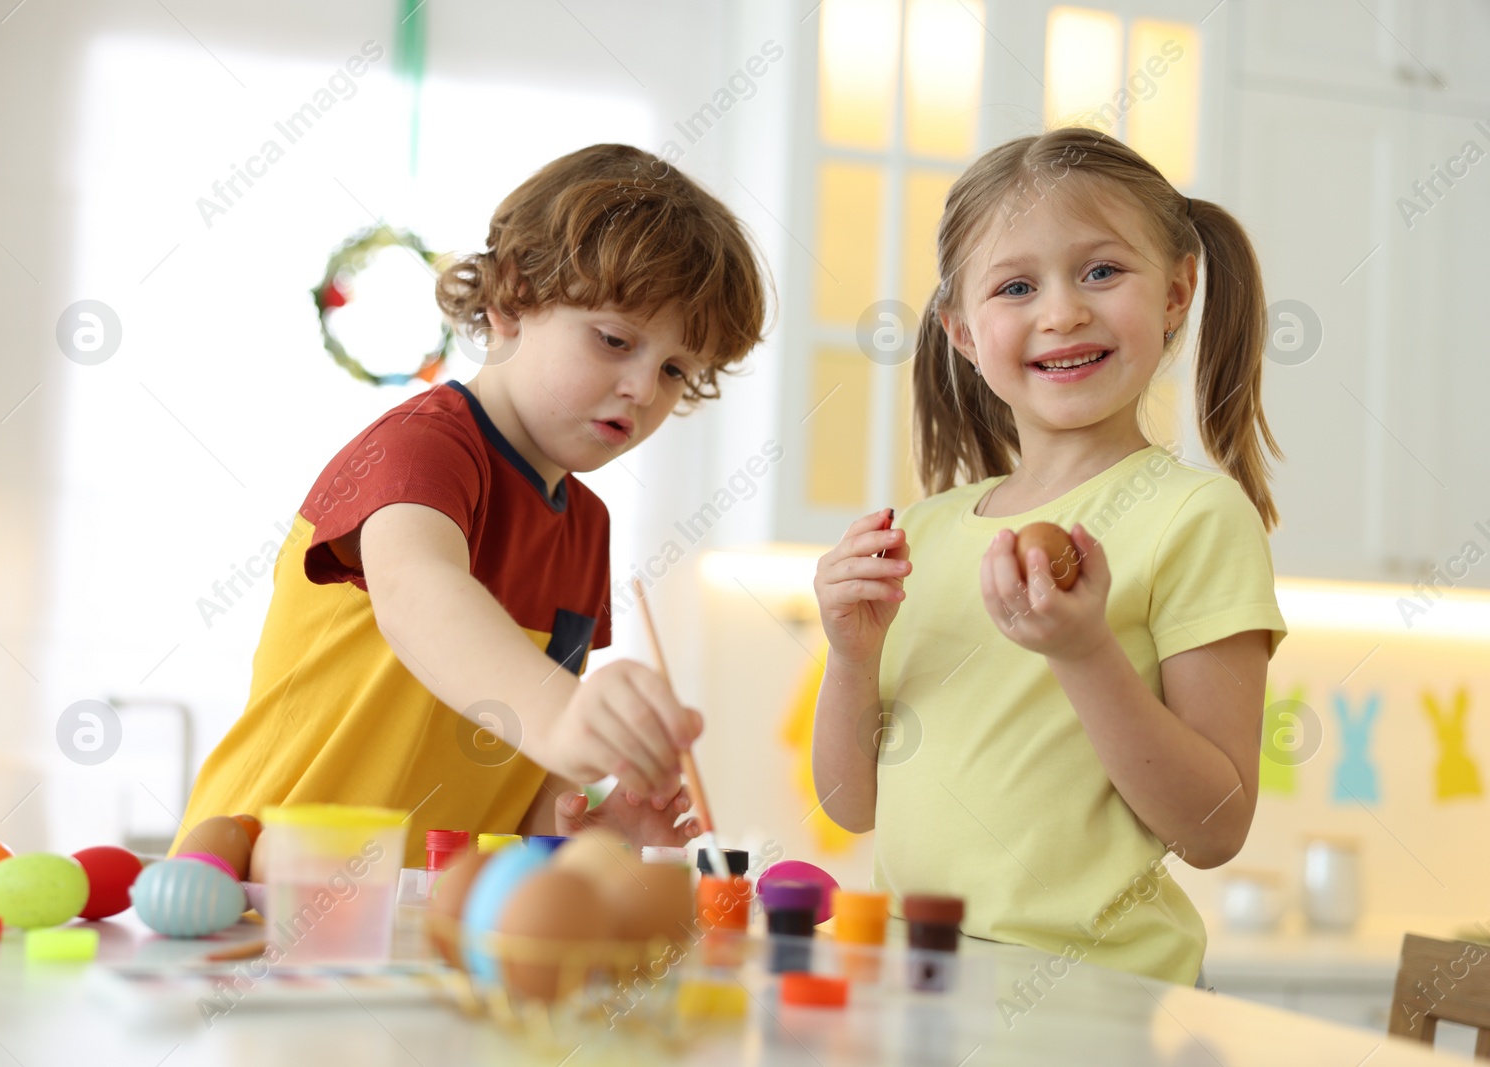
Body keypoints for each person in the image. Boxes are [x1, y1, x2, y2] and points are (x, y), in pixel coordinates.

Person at [175, 144, 769, 867]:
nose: (644, 389)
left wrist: (591, 830)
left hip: (417, 924)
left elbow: (523, 792)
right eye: (615, 340)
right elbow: (417, 593)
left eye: (676, 369)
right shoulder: (422, 447)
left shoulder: (586, 528)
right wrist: (565, 719)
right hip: (253, 888)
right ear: (512, 299)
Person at [811, 127, 1287, 986]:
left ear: (1178, 291)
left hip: (1097, 999)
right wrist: (851, 654)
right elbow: (853, 806)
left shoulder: (1195, 516)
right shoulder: (923, 532)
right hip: (920, 985)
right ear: (962, 331)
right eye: (1017, 285)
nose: (1062, 310)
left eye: (1102, 271)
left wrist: (1083, 650)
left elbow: (1215, 829)